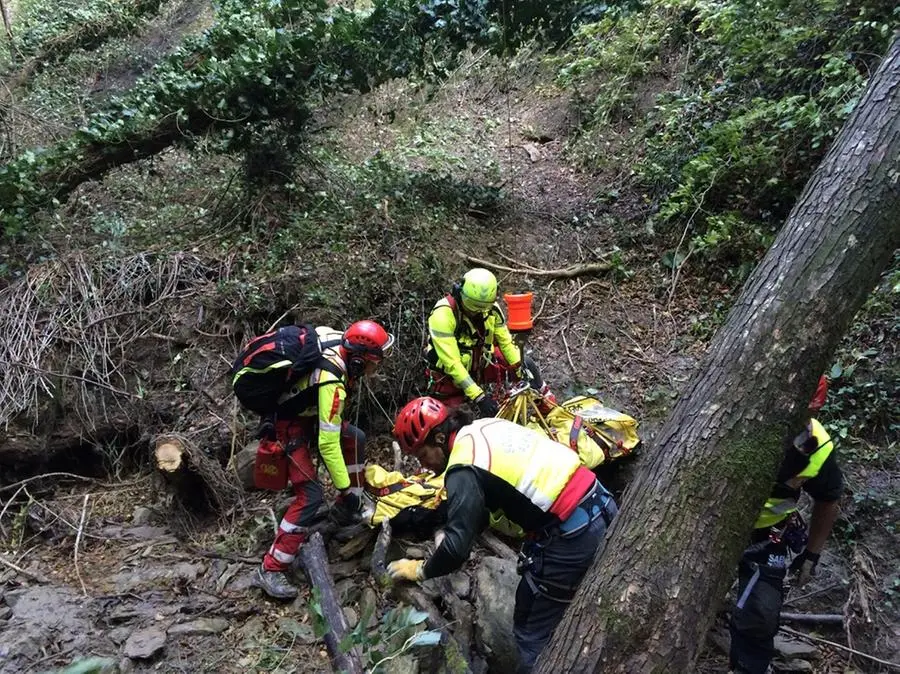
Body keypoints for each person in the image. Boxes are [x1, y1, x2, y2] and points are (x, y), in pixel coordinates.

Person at [388, 396, 617, 671]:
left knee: (530, 631)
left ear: (438, 439)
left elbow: (455, 551)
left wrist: (421, 570)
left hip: (571, 533)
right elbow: (486, 504)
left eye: (423, 456)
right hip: (601, 502)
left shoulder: (462, 468)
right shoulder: (484, 427)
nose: (424, 466)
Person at [253, 320, 394, 599]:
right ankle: (272, 567)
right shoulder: (332, 380)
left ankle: (347, 510)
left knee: (355, 438)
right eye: (373, 363)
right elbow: (328, 445)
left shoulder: (338, 343)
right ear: (356, 360)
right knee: (311, 495)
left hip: (305, 413)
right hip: (288, 425)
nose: (375, 369)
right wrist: (343, 487)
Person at [729, 375, 842, 673]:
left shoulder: (816, 446)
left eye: (810, 413)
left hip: (767, 534)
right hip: (708, 525)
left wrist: (811, 555)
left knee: (761, 611)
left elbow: (828, 500)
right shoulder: (733, 421)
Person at [424, 267, 553, 418]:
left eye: (481, 309)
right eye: (472, 308)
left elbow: (505, 343)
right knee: (454, 422)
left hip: (480, 365)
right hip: (449, 378)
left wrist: (520, 369)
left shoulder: (491, 310)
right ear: (459, 292)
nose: (476, 313)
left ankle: (548, 408)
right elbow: (452, 363)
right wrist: (479, 397)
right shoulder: (443, 315)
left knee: (527, 364)